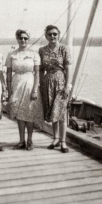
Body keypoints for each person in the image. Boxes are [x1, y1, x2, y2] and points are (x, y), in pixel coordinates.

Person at [5, 30, 43, 151]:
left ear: (28, 39)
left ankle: (30, 140)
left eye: (25, 38)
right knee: (19, 113)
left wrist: (35, 90)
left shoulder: (34, 54)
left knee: (29, 112)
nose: (23, 40)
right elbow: (8, 74)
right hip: (16, 84)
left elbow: (37, 73)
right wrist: (9, 89)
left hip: (30, 83)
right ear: (17, 39)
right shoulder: (11, 54)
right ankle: (21, 140)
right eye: (21, 38)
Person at [39, 25, 72, 153]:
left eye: (55, 34)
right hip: (47, 83)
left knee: (62, 112)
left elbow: (68, 68)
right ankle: (55, 138)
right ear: (46, 36)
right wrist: (41, 84)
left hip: (61, 82)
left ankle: (63, 141)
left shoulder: (64, 49)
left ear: (58, 35)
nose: (52, 36)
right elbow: (41, 69)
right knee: (53, 111)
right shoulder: (42, 50)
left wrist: (67, 86)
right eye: (50, 34)